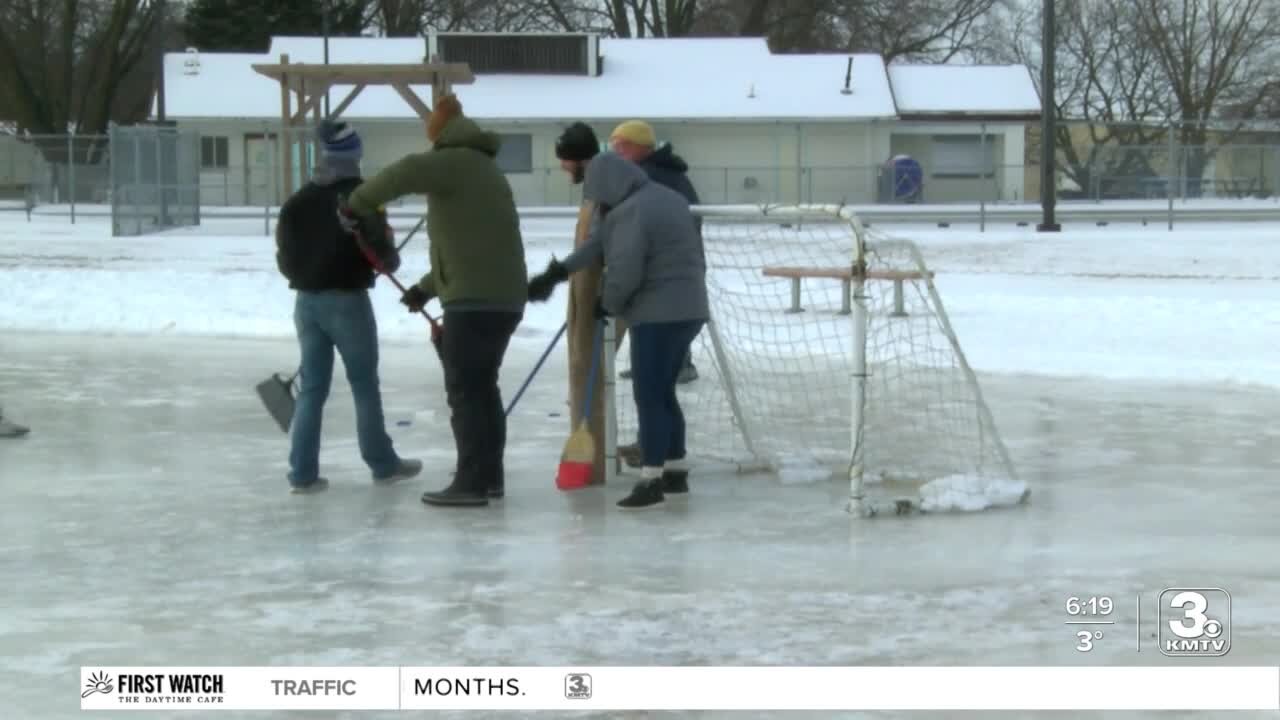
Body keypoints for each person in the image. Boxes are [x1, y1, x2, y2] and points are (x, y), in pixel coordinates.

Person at [342, 94, 528, 508]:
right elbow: (472, 249)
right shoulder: (482, 167)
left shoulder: (454, 161)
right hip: (500, 297)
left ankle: (471, 482)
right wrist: (428, 288)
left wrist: (355, 204)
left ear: (440, 133)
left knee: (465, 392)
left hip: (475, 302)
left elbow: (405, 171)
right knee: (482, 389)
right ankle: (488, 477)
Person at [533, 152, 708, 510]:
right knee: (663, 393)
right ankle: (675, 472)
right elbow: (597, 245)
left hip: (659, 314)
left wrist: (607, 304)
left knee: (649, 395)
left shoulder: (633, 210)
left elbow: (626, 269)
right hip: (689, 309)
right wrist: (558, 272)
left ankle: (651, 480)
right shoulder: (660, 198)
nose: (596, 200)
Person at [275, 120, 422, 495]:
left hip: (306, 303)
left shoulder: (296, 203)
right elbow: (386, 261)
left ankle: (302, 474)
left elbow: (286, 262)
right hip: (348, 303)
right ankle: (382, 464)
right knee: (363, 385)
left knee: (313, 389)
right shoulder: (361, 198)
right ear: (353, 156)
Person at [608, 120, 703, 389]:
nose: (617, 151)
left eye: (622, 146)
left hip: (667, 266)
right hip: (658, 264)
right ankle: (653, 364)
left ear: (641, 147)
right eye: (614, 145)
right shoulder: (646, 173)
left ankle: (681, 364)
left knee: (665, 314)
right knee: (646, 314)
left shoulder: (657, 176)